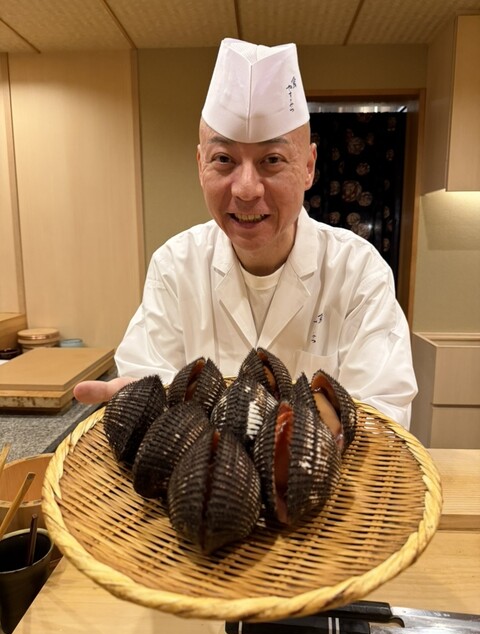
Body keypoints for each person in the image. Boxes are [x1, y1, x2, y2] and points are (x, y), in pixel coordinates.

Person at [74, 38, 417, 428]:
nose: (247, 189)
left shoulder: (358, 273)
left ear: (308, 167)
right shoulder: (175, 267)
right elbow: (147, 381)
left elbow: (382, 417)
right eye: (224, 159)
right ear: (200, 164)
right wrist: (139, 407)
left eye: (272, 159)